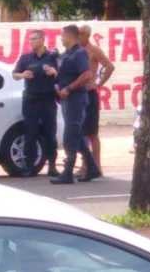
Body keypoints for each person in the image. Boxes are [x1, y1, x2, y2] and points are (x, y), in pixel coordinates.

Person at [51, 24, 101, 184]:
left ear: (70, 36)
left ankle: (68, 172)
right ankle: (92, 168)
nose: (61, 38)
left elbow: (87, 74)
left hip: (76, 99)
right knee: (77, 135)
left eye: (62, 35)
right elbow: (63, 75)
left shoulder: (79, 53)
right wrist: (56, 83)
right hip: (66, 98)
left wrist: (69, 88)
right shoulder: (66, 54)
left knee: (70, 135)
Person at [13, 30, 60, 177]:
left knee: (50, 133)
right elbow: (14, 74)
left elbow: (63, 75)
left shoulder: (53, 57)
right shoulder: (26, 58)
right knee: (30, 133)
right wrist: (23, 75)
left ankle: (52, 166)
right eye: (30, 40)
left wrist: (54, 72)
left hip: (48, 98)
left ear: (42, 39)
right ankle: (29, 166)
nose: (31, 42)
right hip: (31, 99)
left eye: (34, 39)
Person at [78, 25, 115, 176]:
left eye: (80, 34)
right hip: (78, 95)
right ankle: (84, 164)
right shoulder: (75, 51)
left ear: (86, 35)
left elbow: (110, 66)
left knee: (92, 132)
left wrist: (99, 83)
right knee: (81, 132)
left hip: (90, 93)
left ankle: (97, 166)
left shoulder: (94, 50)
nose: (78, 37)